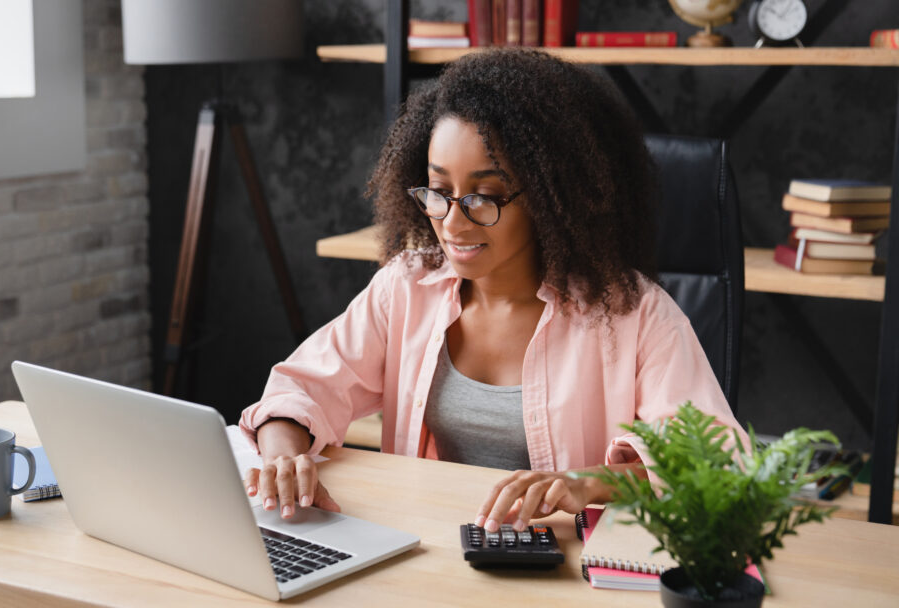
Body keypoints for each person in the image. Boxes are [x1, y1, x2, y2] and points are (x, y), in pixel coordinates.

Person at [239, 48, 745, 534]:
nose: (453, 223)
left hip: (567, 575)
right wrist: (285, 456)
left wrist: (591, 482)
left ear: (553, 198)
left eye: (486, 197)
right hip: (427, 550)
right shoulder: (408, 286)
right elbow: (300, 389)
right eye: (439, 192)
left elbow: (722, 467)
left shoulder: (634, 315)